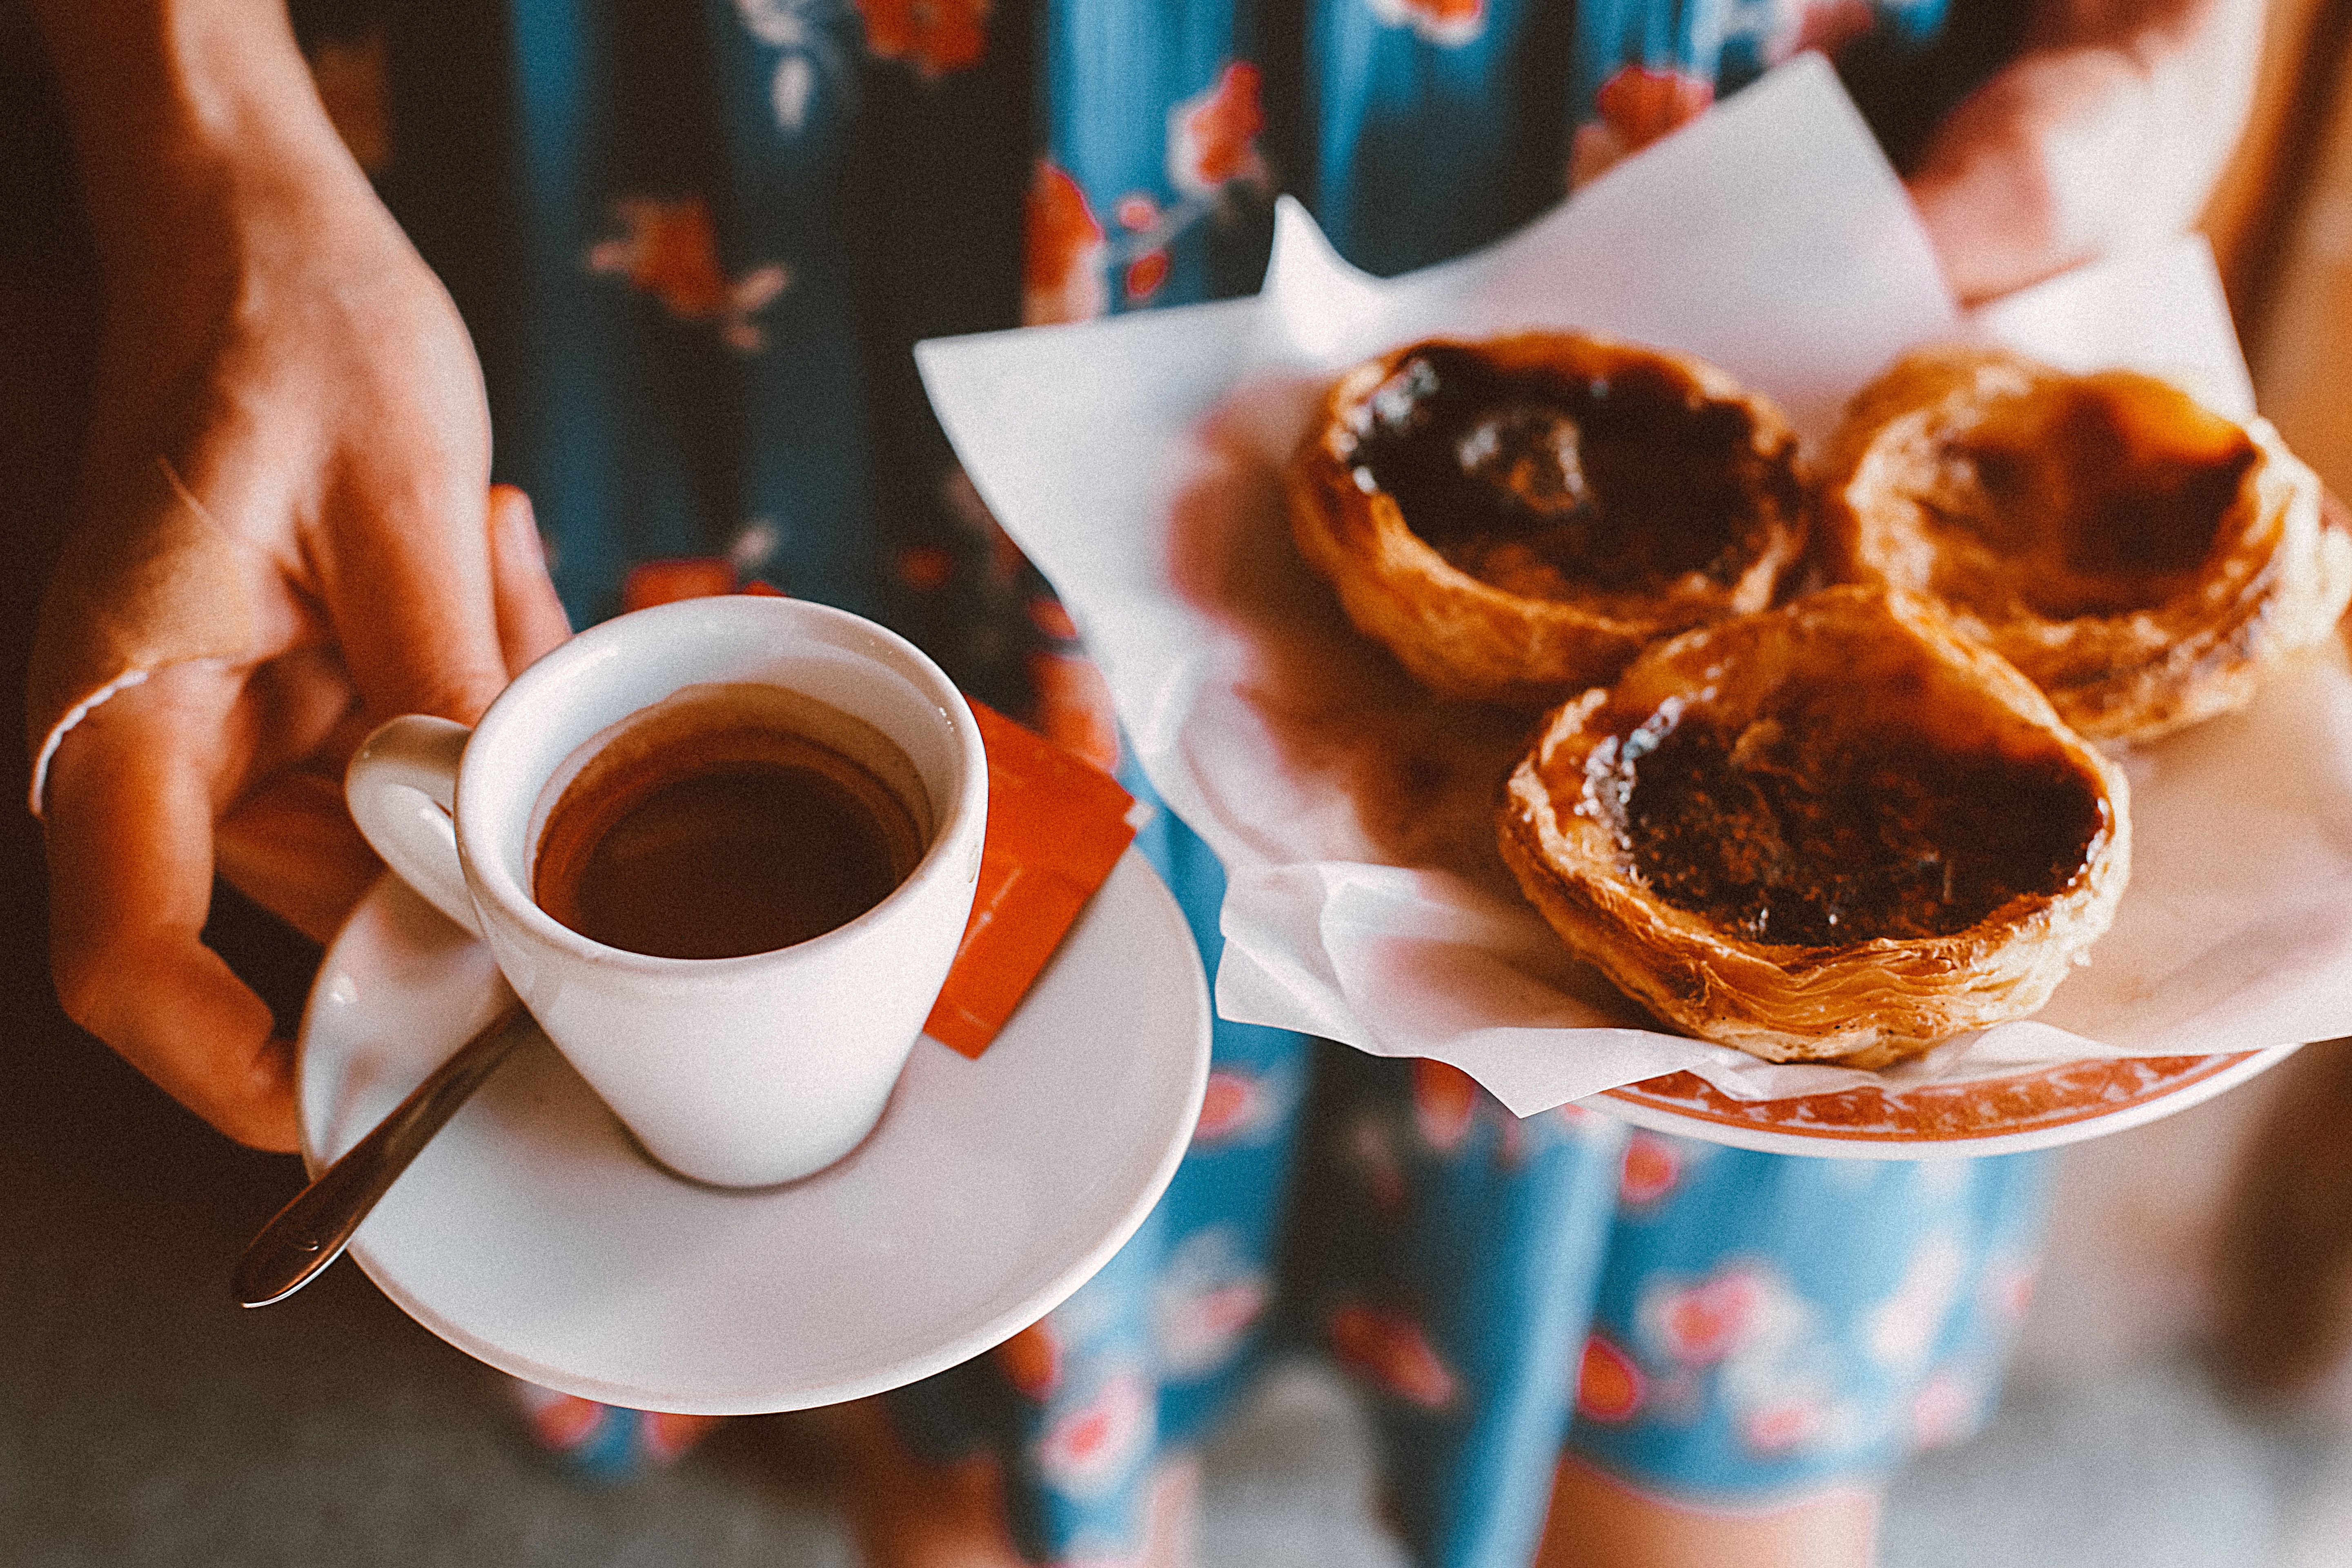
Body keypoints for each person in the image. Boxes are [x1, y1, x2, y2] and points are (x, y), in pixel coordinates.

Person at [20, 0, 2261, 1564]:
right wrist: (208, 148)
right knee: (963, 1340)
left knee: (1716, 1409)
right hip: (785, 151)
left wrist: (2183, 38)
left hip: (1710, 129)